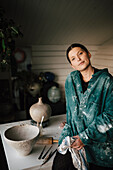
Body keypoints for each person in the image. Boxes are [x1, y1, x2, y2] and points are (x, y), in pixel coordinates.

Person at [52, 43, 113, 170]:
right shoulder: (70, 79)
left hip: (99, 145)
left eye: (80, 53)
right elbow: (71, 110)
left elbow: (110, 116)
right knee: (58, 166)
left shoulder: (106, 81)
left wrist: (84, 137)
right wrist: (69, 125)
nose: (78, 59)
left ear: (88, 54)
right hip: (73, 137)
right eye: (73, 58)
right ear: (72, 65)